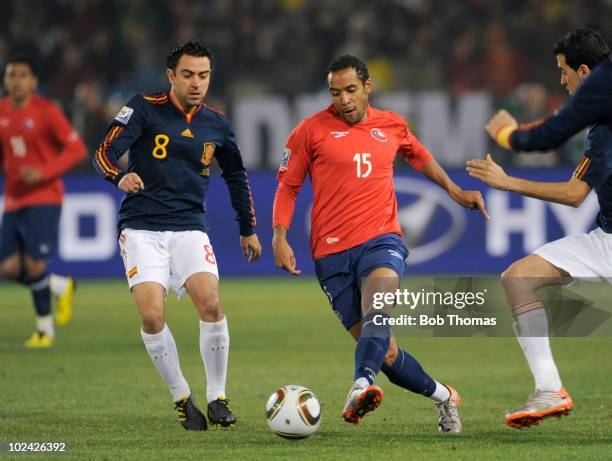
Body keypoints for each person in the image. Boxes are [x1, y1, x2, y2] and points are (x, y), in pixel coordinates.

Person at [273, 55, 488, 431]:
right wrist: (279, 235)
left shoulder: (391, 124)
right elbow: (288, 186)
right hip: (331, 254)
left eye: (351, 90)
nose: (344, 100)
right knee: (385, 350)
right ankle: (444, 396)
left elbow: (419, 156)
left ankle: (360, 386)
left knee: (378, 310)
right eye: (335, 93)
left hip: (381, 241)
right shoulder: (309, 131)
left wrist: (454, 191)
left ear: (367, 87)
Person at [92, 41, 262, 431]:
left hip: (189, 226)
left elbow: (236, 174)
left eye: (203, 75)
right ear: (171, 76)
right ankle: (182, 398)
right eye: (188, 74)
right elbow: (103, 151)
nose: (196, 82)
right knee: (152, 315)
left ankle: (218, 398)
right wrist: (119, 176)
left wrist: (248, 227)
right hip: (141, 227)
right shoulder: (143, 107)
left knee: (212, 305)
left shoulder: (216, 123)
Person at [468, 28, 612, 429]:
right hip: (606, 238)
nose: (562, 80)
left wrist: (506, 179)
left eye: (564, 71)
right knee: (519, 278)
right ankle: (549, 388)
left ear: (584, 71)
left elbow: (573, 194)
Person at [0, 54, 84, 348]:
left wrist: (44, 171)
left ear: (34, 81)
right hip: (13, 198)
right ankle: (61, 285)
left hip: (44, 197)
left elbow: (76, 150)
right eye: (12, 75)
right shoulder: (1, 112)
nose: (17, 80)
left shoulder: (47, 111)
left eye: (23, 75)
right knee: (8, 267)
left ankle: (44, 330)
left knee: (35, 264)